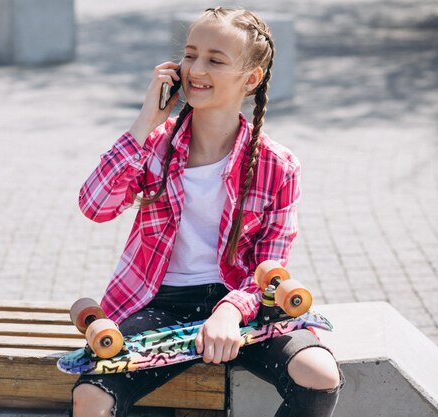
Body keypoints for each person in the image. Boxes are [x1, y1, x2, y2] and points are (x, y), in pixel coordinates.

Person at [73, 7, 343, 417]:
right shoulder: (154, 145)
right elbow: (94, 206)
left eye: (215, 60)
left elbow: (271, 265)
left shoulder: (277, 165)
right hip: (158, 303)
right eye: (190, 54)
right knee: (90, 397)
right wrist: (146, 120)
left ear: (251, 80)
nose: (196, 68)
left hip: (243, 303)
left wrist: (230, 311)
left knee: (319, 374)